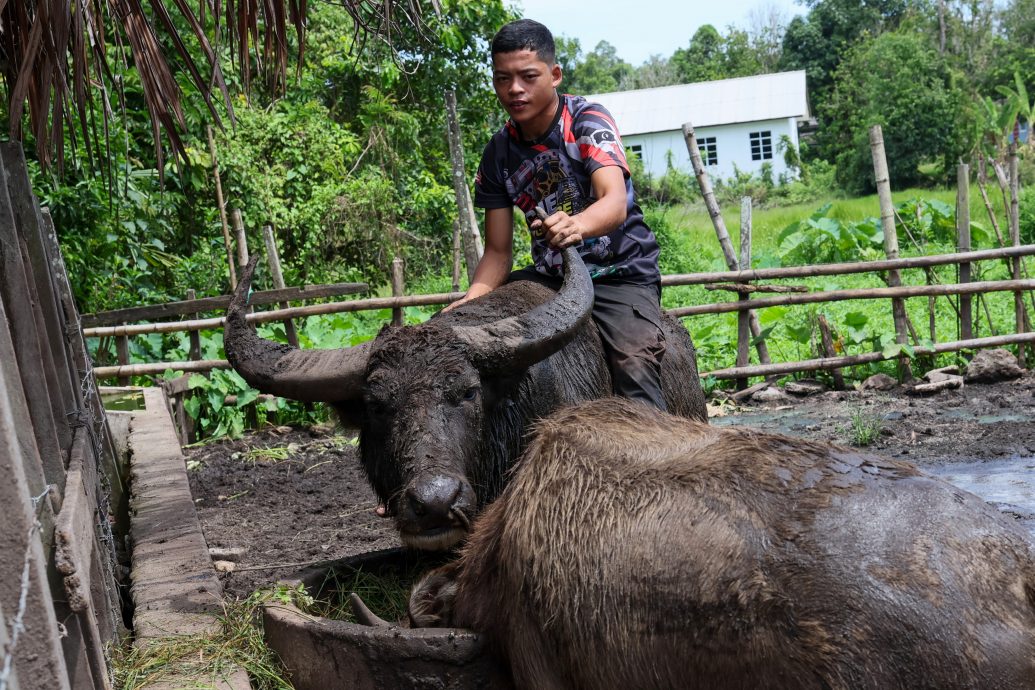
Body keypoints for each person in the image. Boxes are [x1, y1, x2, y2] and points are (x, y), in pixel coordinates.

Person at [446, 18, 668, 411]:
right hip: (551, 278)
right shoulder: (497, 153)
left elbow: (614, 202)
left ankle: (658, 448)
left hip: (618, 272)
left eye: (528, 76)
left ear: (555, 75)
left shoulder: (587, 121)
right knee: (472, 343)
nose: (514, 89)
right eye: (503, 78)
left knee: (635, 364)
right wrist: (474, 297)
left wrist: (577, 224)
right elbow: (498, 252)